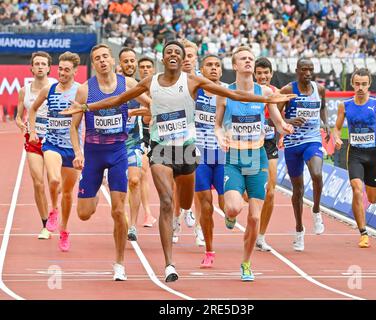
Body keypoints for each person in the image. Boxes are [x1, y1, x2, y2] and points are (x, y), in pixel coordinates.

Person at [61, 40, 295, 282]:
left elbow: (233, 93)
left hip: (185, 150)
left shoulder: (192, 81)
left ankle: (183, 213)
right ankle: (169, 265)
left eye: (177, 52)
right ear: (163, 59)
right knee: (165, 200)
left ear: (183, 60)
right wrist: (87, 106)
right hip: (161, 148)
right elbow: (118, 100)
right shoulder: (150, 82)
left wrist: (267, 101)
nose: (172, 54)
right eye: (168, 52)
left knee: (184, 202)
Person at [68, 44, 150, 281]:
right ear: (93, 64)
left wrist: (145, 112)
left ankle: (119, 263)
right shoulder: (85, 90)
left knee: (117, 210)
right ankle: (93, 187)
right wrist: (78, 152)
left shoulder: (129, 85)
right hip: (93, 154)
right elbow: (74, 127)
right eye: (97, 58)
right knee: (84, 214)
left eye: (105, 57)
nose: (102, 61)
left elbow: (149, 104)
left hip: (118, 153)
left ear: (113, 61)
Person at [215, 46, 294, 281]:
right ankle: (230, 216)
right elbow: (218, 125)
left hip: (257, 156)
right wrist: (219, 135)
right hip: (234, 158)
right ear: (235, 65)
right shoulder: (224, 93)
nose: (248, 61)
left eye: (250, 58)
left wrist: (284, 128)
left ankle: (246, 263)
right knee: (233, 207)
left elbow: (278, 121)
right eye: (243, 59)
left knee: (255, 217)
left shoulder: (266, 92)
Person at [28, 52, 81, 251]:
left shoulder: (80, 91)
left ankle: (64, 230)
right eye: (60, 68)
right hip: (52, 143)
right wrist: (33, 131)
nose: (63, 72)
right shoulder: (49, 89)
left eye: (67, 69)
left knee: (67, 194)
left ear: (75, 71)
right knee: (54, 180)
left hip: (73, 148)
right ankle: (53, 210)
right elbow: (32, 109)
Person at [334, 68, 376, 248]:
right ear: (352, 84)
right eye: (357, 84)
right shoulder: (345, 105)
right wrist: (336, 137)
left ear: (369, 85)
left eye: (364, 84)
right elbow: (336, 127)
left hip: (373, 154)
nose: (360, 87)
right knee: (356, 188)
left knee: (373, 198)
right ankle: (363, 232)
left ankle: (365, 197)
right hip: (355, 154)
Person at [278, 57, 329, 252]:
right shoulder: (288, 90)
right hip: (292, 143)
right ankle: (299, 229)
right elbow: (276, 113)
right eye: (304, 70)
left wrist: (326, 124)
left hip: (312, 139)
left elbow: (322, 107)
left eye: (311, 69)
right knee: (297, 191)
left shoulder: (320, 89)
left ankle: (316, 210)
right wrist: (290, 120)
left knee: (317, 174)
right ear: (297, 70)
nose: (308, 73)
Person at [15, 51, 55, 239]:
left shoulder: (56, 86)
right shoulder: (25, 91)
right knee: (38, 183)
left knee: (54, 182)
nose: (40, 66)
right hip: (33, 140)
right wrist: (21, 124)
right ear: (31, 67)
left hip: (55, 140)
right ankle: (45, 225)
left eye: (43, 64)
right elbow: (18, 115)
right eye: (37, 63)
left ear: (48, 67)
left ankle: (55, 212)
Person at [118, 47, 154, 241]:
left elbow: (152, 110)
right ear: (120, 64)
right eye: (126, 61)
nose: (130, 64)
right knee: (119, 186)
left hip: (135, 141)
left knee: (135, 180)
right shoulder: (114, 85)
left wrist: (135, 113)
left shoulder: (142, 88)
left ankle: (132, 225)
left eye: (133, 61)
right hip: (112, 143)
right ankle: (120, 217)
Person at [194, 54, 226, 268]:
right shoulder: (194, 90)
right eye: (209, 65)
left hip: (223, 153)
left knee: (228, 205)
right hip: (198, 154)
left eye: (217, 65)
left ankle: (230, 214)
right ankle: (209, 249)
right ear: (202, 70)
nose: (213, 68)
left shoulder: (227, 92)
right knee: (206, 205)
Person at [172, 39, 203, 246]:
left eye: (191, 56)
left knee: (199, 186)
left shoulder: (204, 82)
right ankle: (176, 221)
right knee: (177, 185)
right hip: (177, 137)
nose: (187, 60)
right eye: (184, 56)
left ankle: (199, 227)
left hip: (202, 138)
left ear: (195, 59)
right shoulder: (171, 81)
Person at [253, 57, 279, 252]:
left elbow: (281, 116)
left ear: (271, 73)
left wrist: (285, 127)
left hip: (269, 145)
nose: (263, 76)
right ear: (254, 74)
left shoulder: (275, 94)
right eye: (259, 73)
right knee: (248, 193)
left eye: (266, 73)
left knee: (270, 191)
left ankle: (261, 236)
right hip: (247, 144)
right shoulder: (247, 92)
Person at [137, 56, 157, 228]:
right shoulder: (136, 90)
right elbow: (145, 119)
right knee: (142, 172)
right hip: (142, 138)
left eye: (148, 67)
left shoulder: (161, 88)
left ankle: (179, 214)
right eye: (142, 67)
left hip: (163, 137)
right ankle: (148, 214)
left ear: (154, 69)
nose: (145, 69)